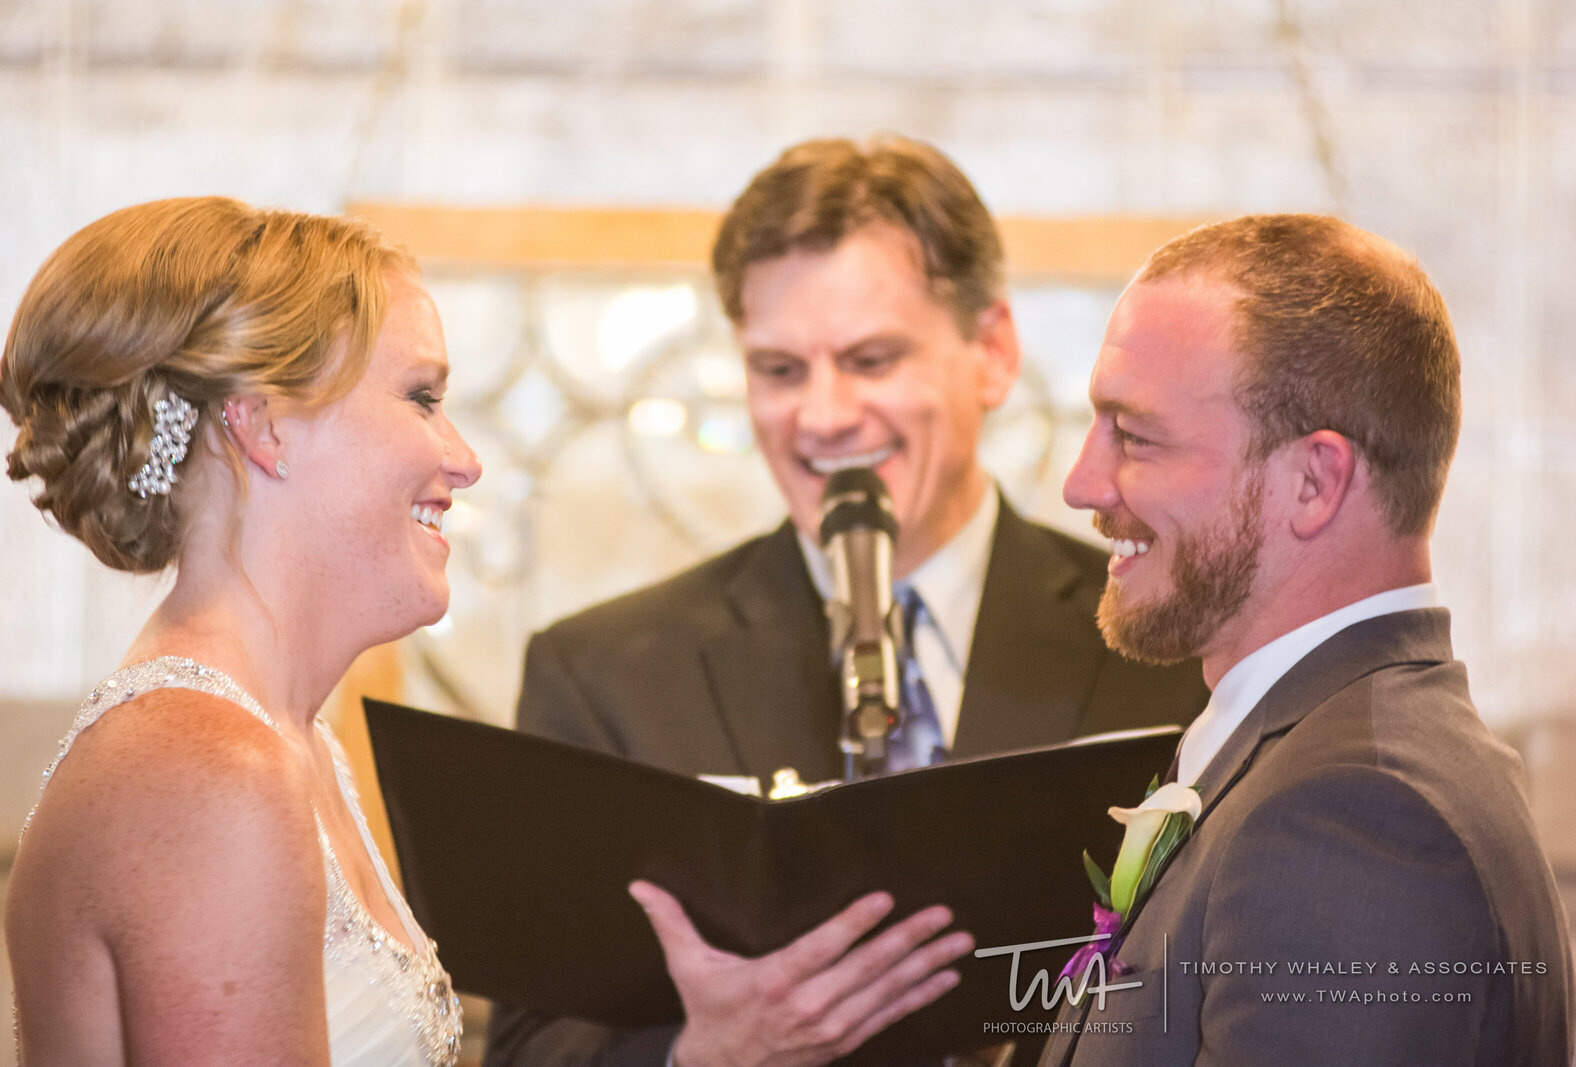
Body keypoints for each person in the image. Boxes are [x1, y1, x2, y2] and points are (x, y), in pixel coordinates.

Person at [484, 137, 1209, 1066]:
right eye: (780, 370)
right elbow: (530, 1047)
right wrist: (707, 1056)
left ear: (991, 352)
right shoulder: (602, 677)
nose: (823, 415)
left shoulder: (1170, 646)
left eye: (870, 359)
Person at [1039, 213, 1574, 1064]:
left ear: (1313, 481)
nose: (1081, 483)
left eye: (1135, 436)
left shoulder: (1355, 816)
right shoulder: (1327, 750)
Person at [0, 196, 482, 1065]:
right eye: (422, 397)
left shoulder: (290, 744)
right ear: (263, 425)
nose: (463, 458)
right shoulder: (209, 770)